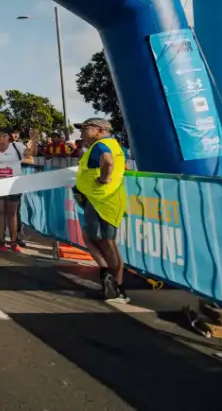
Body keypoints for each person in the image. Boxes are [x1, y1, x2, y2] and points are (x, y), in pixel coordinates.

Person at [73, 118, 130, 303]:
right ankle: (113, 285)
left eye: (84, 128)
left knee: (105, 241)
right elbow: (123, 165)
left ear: (98, 130)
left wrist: (104, 179)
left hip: (102, 199)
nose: (81, 132)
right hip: (107, 199)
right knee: (99, 239)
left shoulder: (101, 146)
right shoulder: (114, 144)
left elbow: (108, 162)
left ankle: (115, 286)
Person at [0, 128, 31, 252]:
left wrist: (33, 139)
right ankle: (1, 241)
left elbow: (30, 153)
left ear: (8, 137)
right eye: (0, 134)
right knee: (0, 212)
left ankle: (13, 242)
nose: (1, 137)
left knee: (12, 214)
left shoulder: (17, 146)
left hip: (14, 185)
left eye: (4, 135)